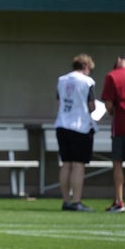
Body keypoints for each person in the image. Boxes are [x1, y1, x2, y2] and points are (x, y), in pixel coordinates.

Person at [54, 53, 97, 212]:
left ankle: (66, 201)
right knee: (78, 165)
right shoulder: (87, 81)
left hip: (62, 124)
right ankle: (76, 201)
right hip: (80, 126)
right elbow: (92, 106)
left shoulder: (62, 80)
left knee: (66, 164)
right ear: (86, 66)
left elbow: (59, 102)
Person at [101, 55, 125, 213]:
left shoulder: (113, 76)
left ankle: (119, 200)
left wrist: (111, 111)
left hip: (121, 124)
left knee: (117, 162)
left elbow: (109, 105)